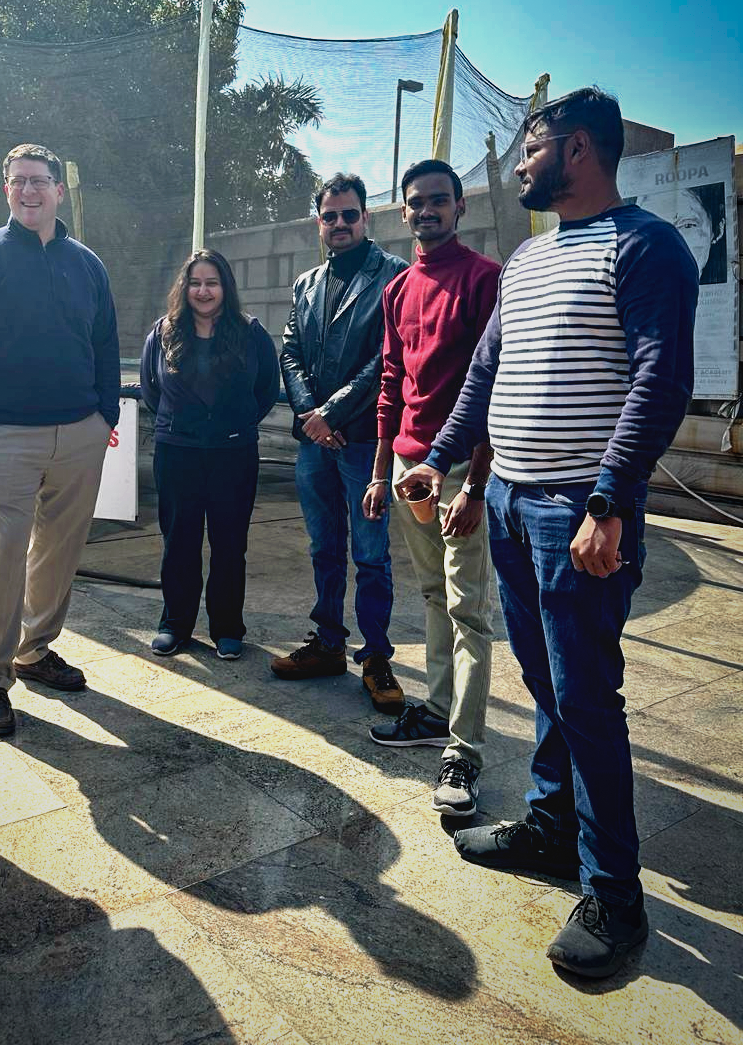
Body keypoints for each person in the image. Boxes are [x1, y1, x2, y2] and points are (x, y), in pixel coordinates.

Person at [397, 88, 698, 977]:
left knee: (587, 700)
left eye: (530, 149)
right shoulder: (527, 262)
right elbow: (485, 376)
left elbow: (661, 379)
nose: (520, 164)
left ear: (575, 150)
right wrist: (441, 462)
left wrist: (609, 500)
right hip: (508, 504)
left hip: (579, 515)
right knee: (546, 684)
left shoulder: (646, 247)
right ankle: (549, 827)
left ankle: (614, 896)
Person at [0, 144, 120, 737]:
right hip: (2, 434)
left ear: (59, 191)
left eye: (39, 181)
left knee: (59, 550)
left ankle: (35, 649)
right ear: (6, 189)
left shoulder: (87, 264)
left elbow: (103, 343)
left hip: (79, 433)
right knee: (3, 552)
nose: (29, 191)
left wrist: (103, 414)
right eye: (18, 181)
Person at [363, 160, 500, 817]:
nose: (426, 211)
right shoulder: (397, 290)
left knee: (470, 610)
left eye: (438, 201)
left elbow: (492, 392)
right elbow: (393, 385)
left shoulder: (484, 280)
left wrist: (475, 483)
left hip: (459, 478)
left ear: (459, 208)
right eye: (416, 203)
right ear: (403, 212)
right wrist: (380, 470)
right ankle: (438, 709)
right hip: (407, 474)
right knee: (431, 595)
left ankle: (464, 753)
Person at [272, 173, 409, 712]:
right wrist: (309, 413)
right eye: (330, 216)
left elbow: (388, 359)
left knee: (371, 555)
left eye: (349, 214)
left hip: (362, 441)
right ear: (319, 222)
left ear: (365, 217)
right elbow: (289, 352)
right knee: (323, 547)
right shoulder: (306, 283)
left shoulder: (394, 276)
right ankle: (328, 642)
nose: (340, 224)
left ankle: (376, 657)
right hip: (315, 443)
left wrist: (331, 412)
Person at [140, 249, 280, 659]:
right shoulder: (163, 332)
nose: (203, 291)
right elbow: (152, 389)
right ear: (184, 288)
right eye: (196, 283)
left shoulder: (250, 333)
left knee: (230, 543)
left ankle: (227, 628)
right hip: (177, 452)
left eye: (212, 283)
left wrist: (232, 423)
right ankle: (175, 625)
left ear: (226, 288)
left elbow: (266, 391)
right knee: (178, 542)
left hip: (233, 454)